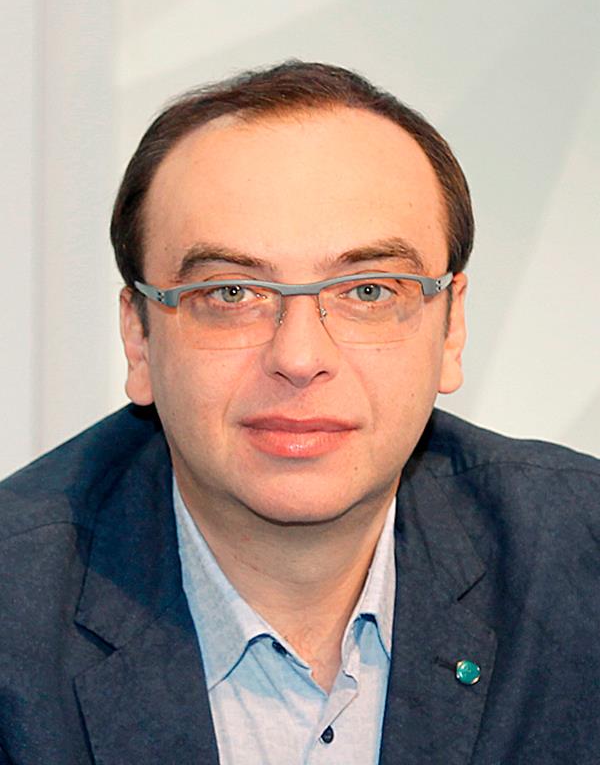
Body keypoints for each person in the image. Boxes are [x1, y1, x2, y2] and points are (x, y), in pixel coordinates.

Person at [0, 61, 598, 765]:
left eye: (369, 291)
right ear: (139, 337)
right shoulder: (16, 613)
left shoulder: (580, 561)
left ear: (451, 330)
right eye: (230, 294)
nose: (300, 356)